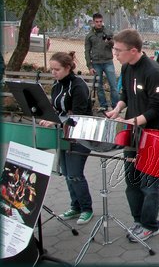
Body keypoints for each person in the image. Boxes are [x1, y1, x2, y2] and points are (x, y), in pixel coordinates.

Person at [105, 29, 159, 242]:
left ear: (133, 50)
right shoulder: (126, 67)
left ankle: (151, 225)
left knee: (148, 185)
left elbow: (156, 109)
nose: (115, 53)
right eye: (114, 49)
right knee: (132, 181)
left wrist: (133, 121)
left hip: (151, 135)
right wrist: (117, 110)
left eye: (118, 50)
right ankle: (138, 220)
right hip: (131, 134)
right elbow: (126, 94)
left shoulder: (153, 72)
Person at [39, 51, 94, 225]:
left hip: (81, 136)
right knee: (67, 174)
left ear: (68, 68)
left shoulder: (78, 86)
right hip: (63, 135)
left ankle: (87, 208)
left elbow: (77, 115)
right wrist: (48, 115)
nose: (53, 73)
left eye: (57, 69)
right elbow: (56, 108)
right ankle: (75, 206)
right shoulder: (56, 86)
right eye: (52, 69)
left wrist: (55, 119)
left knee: (76, 174)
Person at [84, 13, 119, 111]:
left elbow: (115, 46)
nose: (99, 24)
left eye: (100, 21)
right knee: (99, 86)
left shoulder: (108, 32)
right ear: (93, 22)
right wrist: (89, 66)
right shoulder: (89, 36)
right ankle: (103, 105)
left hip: (108, 61)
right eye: (97, 22)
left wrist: (109, 41)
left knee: (113, 85)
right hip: (96, 63)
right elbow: (87, 51)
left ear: (102, 21)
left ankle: (116, 106)